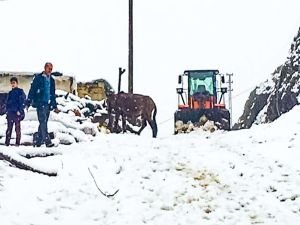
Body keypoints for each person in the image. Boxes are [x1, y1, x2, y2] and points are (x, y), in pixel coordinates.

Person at [27, 62, 59, 147]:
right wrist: (28, 102)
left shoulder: (51, 80)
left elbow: (52, 93)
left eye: (51, 69)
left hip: (48, 104)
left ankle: (38, 142)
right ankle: (47, 141)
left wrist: (54, 105)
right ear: (45, 68)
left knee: (43, 122)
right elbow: (32, 90)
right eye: (49, 68)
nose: (50, 70)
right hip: (40, 103)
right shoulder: (38, 78)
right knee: (43, 121)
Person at [5, 77, 26, 146]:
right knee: (9, 129)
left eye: (14, 83)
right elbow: (7, 103)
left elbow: (22, 102)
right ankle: (7, 142)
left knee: (17, 129)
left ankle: (17, 143)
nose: (13, 85)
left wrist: (20, 110)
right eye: (12, 83)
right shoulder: (10, 93)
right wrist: (7, 111)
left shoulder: (20, 92)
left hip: (17, 113)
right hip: (10, 112)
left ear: (17, 83)